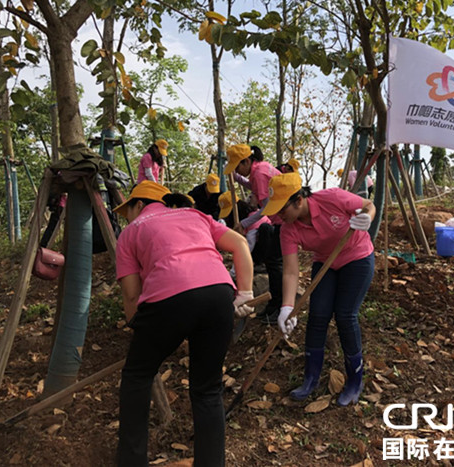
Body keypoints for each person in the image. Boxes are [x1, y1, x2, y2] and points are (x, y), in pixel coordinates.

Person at [113, 181, 254, 467]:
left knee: (137, 377)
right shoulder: (195, 215)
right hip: (218, 294)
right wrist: (245, 293)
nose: (126, 216)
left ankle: (131, 461)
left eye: (127, 210)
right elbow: (240, 243)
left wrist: (139, 330)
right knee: (207, 388)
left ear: (139, 205)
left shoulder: (131, 232)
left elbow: (131, 294)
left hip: (167, 299)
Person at [262, 172, 376, 406]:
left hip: (356, 256)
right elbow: (291, 271)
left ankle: (355, 379)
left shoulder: (333, 198)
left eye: (283, 209)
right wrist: (286, 306)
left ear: (299, 200)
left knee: (345, 315)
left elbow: (368, 205)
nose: (279, 215)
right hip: (325, 262)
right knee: (317, 316)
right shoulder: (288, 229)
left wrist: (368, 218)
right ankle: (310, 378)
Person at [225, 144, 283, 322]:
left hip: (281, 220)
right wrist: (238, 178)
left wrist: (244, 223)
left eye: (237, 167)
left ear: (247, 161)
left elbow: (265, 208)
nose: (237, 171)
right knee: (274, 261)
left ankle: (277, 307)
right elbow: (254, 186)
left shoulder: (259, 173)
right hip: (279, 219)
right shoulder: (261, 169)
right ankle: (275, 306)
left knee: (275, 263)